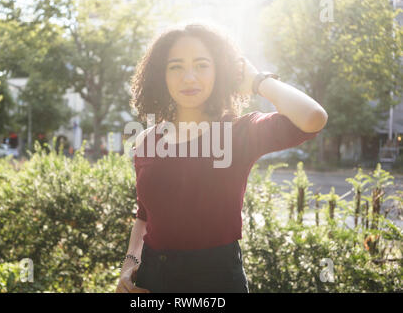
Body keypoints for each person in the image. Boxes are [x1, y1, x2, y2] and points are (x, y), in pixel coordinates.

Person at [116, 22, 328, 293]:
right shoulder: (146, 140)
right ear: (162, 75)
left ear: (219, 72)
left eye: (202, 65)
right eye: (176, 66)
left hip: (217, 281)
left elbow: (313, 117)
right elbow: (144, 215)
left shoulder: (239, 133)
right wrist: (128, 264)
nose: (189, 77)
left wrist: (257, 81)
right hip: (151, 281)